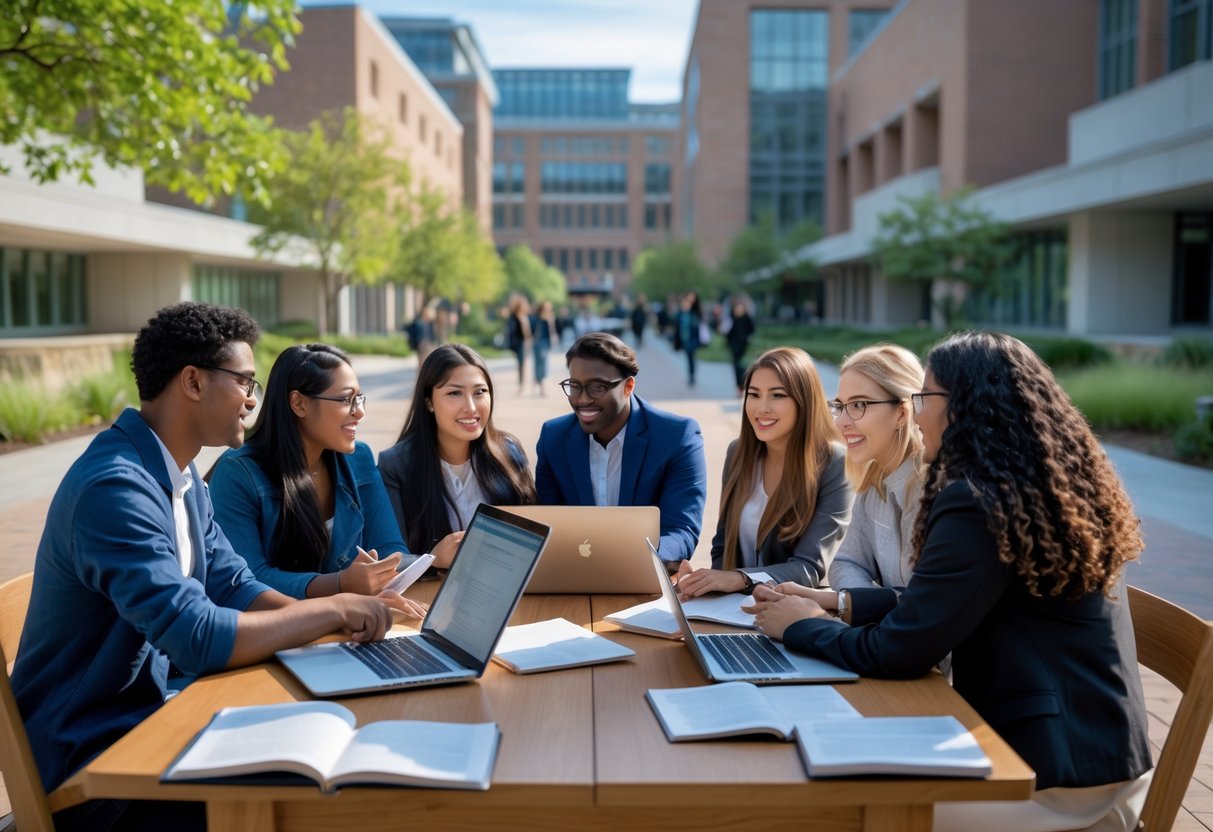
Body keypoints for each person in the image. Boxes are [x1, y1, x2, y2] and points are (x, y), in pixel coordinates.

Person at [11, 303, 394, 832]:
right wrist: (331, 611)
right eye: (245, 382)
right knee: (318, 804)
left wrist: (333, 627)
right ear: (192, 382)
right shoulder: (116, 488)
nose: (253, 401)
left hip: (151, 725)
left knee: (336, 762)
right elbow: (196, 635)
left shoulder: (180, 474)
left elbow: (233, 583)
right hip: (94, 767)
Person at [747, 332, 1152, 831]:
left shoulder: (977, 501)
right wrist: (836, 603)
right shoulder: (1026, 487)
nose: (917, 414)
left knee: (837, 809)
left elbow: (900, 651)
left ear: (964, 408)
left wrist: (801, 625)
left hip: (1055, 780)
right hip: (1092, 753)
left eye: (925, 399)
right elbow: (930, 604)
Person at [208, 344, 433, 610]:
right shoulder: (238, 473)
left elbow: (388, 548)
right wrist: (340, 584)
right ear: (299, 404)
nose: (359, 412)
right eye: (345, 399)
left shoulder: (357, 458)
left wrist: (387, 579)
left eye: (359, 399)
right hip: (276, 635)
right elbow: (247, 580)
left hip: (352, 624)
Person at [675, 347, 851, 598]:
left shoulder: (834, 462)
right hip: (734, 611)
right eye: (754, 395)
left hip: (791, 613)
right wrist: (707, 588)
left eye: (777, 395)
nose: (762, 408)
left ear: (805, 401)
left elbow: (809, 568)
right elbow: (723, 547)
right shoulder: (738, 453)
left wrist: (738, 579)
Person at [772, 344, 925, 618]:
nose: (841, 422)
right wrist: (858, 604)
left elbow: (926, 605)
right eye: (840, 406)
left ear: (903, 413)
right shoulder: (873, 485)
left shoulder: (934, 492)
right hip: (888, 643)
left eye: (858, 405)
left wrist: (845, 604)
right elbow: (844, 562)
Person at [535, 332, 707, 567]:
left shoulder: (677, 437)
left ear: (628, 387)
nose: (583, 400)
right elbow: (548, 524)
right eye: (575, 386)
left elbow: (681, 531)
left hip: (644, 574)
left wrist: (633, 561)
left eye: (597, 387)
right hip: (575, 573)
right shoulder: (553, 438)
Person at [379, 344, 537, 557]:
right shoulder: (396, 465)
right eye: (454, 393)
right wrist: (432, 561)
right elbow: (390, 556)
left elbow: (534, 534)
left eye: (480, 392)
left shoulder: (508, 451)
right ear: (429, 402)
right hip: (428, 588)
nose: (471, 407)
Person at [723, 297, 756, 394]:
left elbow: (751, 329)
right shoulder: (731, 317)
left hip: (744, 345)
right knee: (736, 365)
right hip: (733, 345)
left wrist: (748, 338)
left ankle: (743, 383)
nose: (738, 309)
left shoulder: (747, 318)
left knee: (742, 365)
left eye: (740, 307)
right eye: (737, 307)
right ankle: (739, 385)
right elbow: (726, 331)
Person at [676, 290, 704, 386]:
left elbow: (699, 323)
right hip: (685, 338)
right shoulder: (683, 309)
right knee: (689, 357)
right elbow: (677, 321)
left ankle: (692, 375)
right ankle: (691, 374)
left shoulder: (696, 311)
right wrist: (684, 310)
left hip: (694, 338)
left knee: (692, 356)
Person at [505, 295, 532, 394]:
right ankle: (521, 384)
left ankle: (522, 385)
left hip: (523, 343)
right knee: (520, 364)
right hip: (517, 343)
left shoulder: (524, 316)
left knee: (522, 365)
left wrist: (528, 343)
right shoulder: (514, 316)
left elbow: (527, 332)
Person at [531, 300, 558, 396]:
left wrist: (550, 321)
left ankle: (542, 387)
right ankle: (537, 384)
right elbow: (533, 331)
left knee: (544, 364)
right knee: (537, 364)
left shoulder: (550, 318)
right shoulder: (536, 318)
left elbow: (552, 331)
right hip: (537, 343)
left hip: (545, 343)